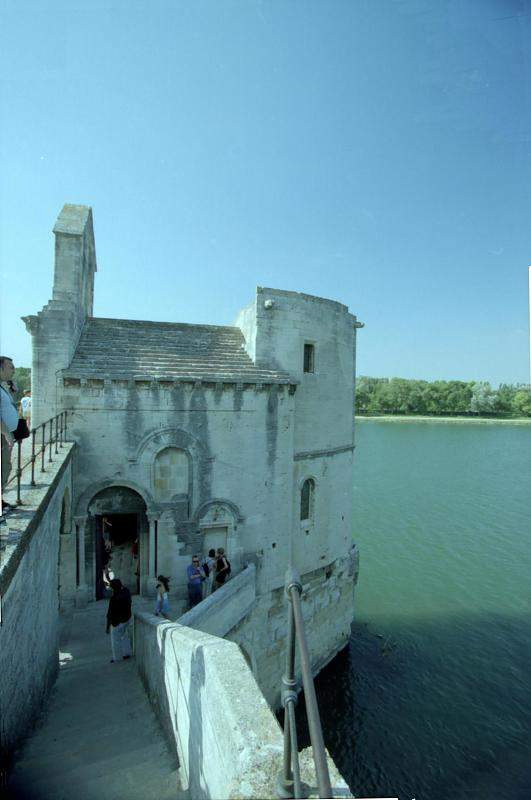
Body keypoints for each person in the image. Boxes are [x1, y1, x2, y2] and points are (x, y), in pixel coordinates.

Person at [0, 356, 19, 510]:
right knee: (3, 467)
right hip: (2, 436)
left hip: (4, 435)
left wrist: (12, 392)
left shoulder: (1, 387)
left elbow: (8, 407)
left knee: (5, 467)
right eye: (10, 367)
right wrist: (6, 433)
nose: (13, 370)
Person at [105, 578, 132, 662]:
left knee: (115, 640)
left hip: (117, 622)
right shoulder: (126, 592)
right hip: (127, 619)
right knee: (125, 637)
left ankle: (117, 658)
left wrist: (107, 626)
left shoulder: (114, 598)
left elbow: (110, 614)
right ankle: (126, 653)